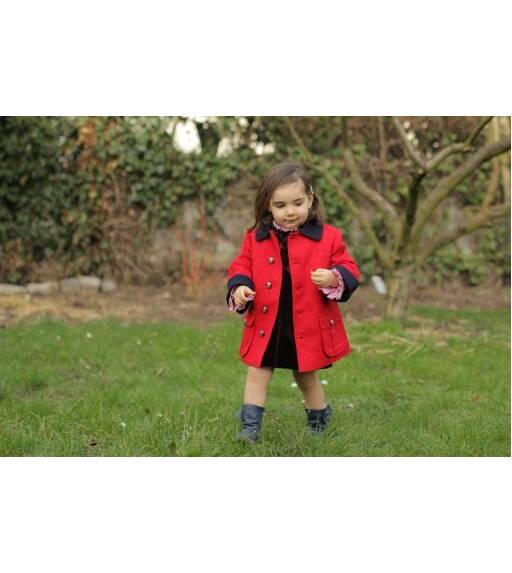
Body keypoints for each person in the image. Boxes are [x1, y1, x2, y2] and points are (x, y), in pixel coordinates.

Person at [226, 160, 360, 443]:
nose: (290, 211)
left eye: (297, 203)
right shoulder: (255, 238)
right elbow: (242, 265)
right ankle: (249, 429)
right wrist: (240, 287)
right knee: (257, 373)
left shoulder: (328, 237)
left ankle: (319, 420)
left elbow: (349, 267)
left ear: (310, 199)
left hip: (305, 324)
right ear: (268, 206)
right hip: (268, 323)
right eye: (281, 205)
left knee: (306, 376)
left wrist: (333, 277)